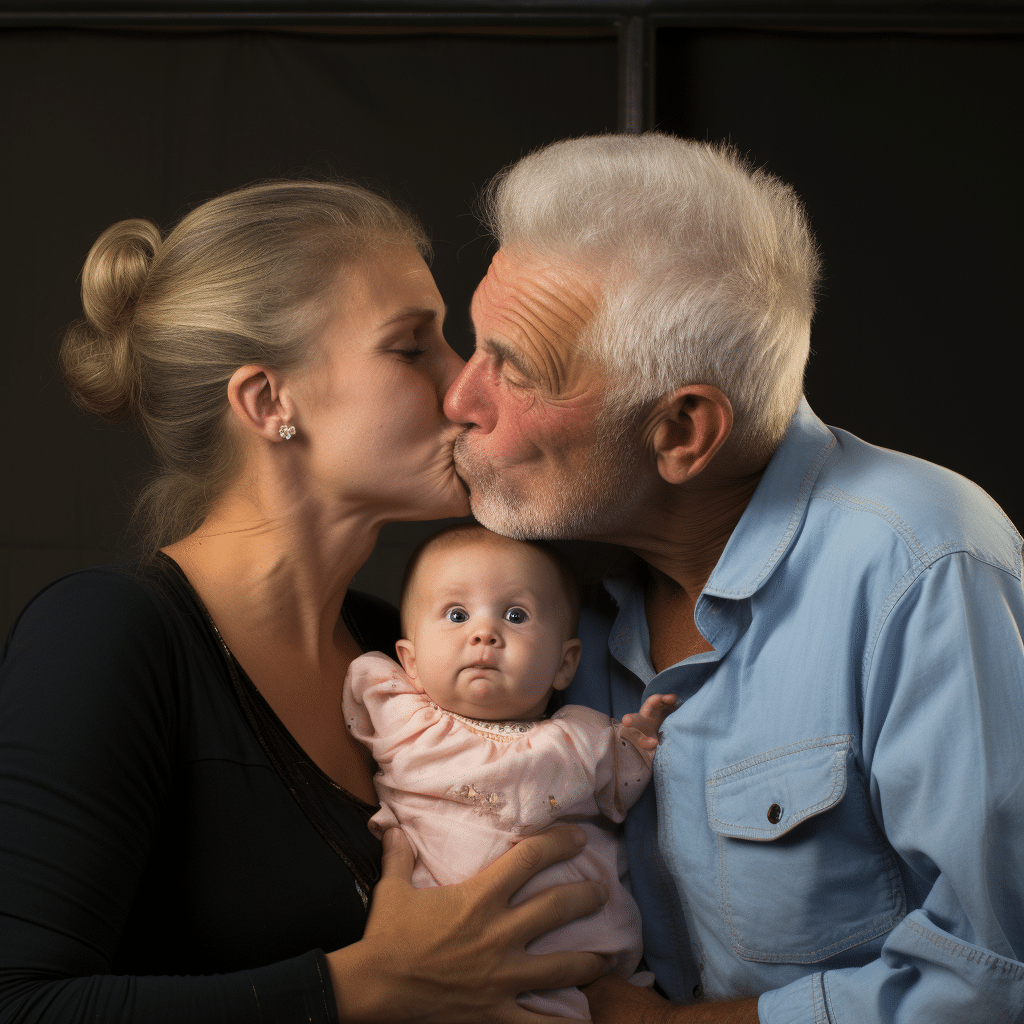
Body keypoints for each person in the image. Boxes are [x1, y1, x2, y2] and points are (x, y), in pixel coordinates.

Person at [443, 134, 1024, 1023]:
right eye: (472, 345)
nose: (460, 398)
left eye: (513, 368)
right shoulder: (564, 590)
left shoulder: (927, 567)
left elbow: (997, 969)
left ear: (681, 431)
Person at [0, 180, 612, 1024]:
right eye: (412, 347)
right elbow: (19, 1005)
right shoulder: (106, 638)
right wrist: (362, 988)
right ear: (268, 402)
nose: (470, 388)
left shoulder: (392, 645)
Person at [343, 523, 676, 1020]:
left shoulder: (578, 739)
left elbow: (621, 789)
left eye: (515, 615)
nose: (484, 632)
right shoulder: (407, 720)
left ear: (565, 664)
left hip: (576, 967)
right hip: (438, 959)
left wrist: (640, 741)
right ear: (409, 662)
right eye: (456, 615)